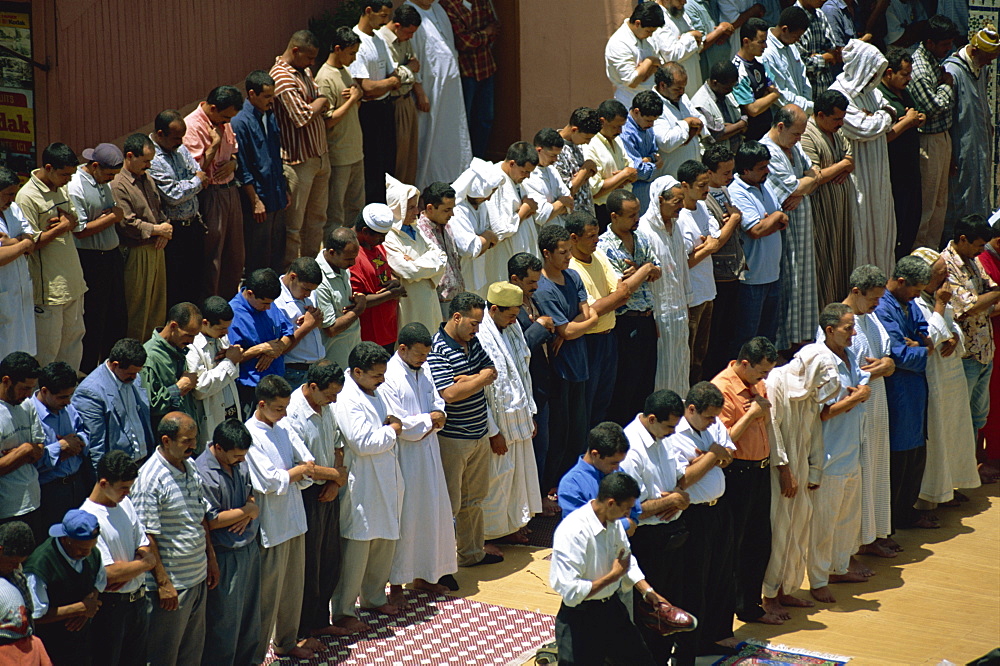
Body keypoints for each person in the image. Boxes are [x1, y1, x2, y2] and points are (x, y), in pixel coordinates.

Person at [550, 471, 679, 666]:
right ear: (611, 503)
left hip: (611, 609)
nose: (629, 515)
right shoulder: (572, 532)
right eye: (626, 509)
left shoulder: (613, 523)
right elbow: (571, 592)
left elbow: (626, 559)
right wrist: (612, 577)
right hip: (579, 618)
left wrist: (648, 591)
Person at [131, 412, 219, 666]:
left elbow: (200, 516)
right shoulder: (150, 479)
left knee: (191, 654)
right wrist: (163, 583)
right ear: (166, 440)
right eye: (186, 441)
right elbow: (146, 537)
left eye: (194, 439)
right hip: (172, 587)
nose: (193, 446)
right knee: (163, 656)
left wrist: (210, 559)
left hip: (197, 578)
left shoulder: (189, 466)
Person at [244, 375, 319, 660]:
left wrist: (297, 474)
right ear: (261, 404)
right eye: (278, 408)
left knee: (292, 590)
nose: (284, 413)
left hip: (294, 519)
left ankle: (286, 642)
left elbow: (307, 466)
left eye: (286, 407)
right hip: (272, 526)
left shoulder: (284, 426)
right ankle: (256, 654)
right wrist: (296, 473)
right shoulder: (250, 434)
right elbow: (268, 481)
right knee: (267, 596)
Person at [761, 341, 838, 616]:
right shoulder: (777, 383)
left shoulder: (809, 393)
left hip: (802, 472)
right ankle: (769, 595)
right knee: (780, 530)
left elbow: (815, 430)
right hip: (781, 473)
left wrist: (815, 469)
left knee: (799, 529)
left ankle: (787, 588)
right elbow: (773, 429)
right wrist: (784, 470)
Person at [381, 324, 458, 598]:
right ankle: (397, 583)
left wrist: (437, 416)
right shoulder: (388, 377)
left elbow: (438, 403)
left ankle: (425, 575)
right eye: (418, 354)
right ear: (402, 349)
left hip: (429, 453)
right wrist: (430, 420)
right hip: (405, 458)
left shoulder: (424, 370)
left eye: (426, 355)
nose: (423, 360)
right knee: (407, 518)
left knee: (430, 514)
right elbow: (397, 422)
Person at [330, 342, 404, 630]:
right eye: (376, 376)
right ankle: (345, 609)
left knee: (384, 540)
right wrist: (392, 430)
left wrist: (386, 430)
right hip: (361, 482)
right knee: (357, 547)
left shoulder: (373, 390)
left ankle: (373, 597)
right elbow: (362, 443)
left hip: (385, 477)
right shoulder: (347, 398)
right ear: (357, 372)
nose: (382, 380)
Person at [426, 292, 503, 567]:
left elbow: (492, 370)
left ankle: (471, 554)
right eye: (473, 323)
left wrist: (472, 378)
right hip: (453, 440)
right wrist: (479, 378)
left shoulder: (473, 342)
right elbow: (449, 393)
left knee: (475, 501)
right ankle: (442, 564)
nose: (477, 329)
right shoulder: (437, 349)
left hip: (479, 435)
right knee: (449, 505)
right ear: (456, 317)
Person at [666, 382, 739, 659]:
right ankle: (690, 644)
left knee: (722, 574)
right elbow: (684, 479)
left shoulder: (714, 424)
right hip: (694, 515)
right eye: (708, 417)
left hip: (719, 509)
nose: (713, 422)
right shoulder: (675, 434)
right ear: (692, 409)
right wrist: (712, 454)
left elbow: (729, 455)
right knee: (695, 579)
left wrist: (709, 458)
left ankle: (716, 635)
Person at [617, 391, 692, 660]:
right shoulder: (630, 451)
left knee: (668, 616)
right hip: (646, 542)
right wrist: (671, 500)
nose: (673, 432)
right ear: (651, 419)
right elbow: (631, 510)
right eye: (669, 426)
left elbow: (679, 482)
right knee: (649, 616)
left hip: (671, 536)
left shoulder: (663, 438)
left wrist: (677, 499)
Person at [711, 337, 781, 624]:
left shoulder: (757, 384)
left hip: (760, 470)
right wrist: (752, 413)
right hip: (736, 473)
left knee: (759, 541)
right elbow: (722, 440)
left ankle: (750, 606)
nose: (764, 379)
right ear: (743, 363)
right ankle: (723, 613)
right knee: (733, 545)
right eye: (760, 372)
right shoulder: (722, 389)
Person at [803, 304, 870, 604]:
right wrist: (856, 399)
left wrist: (857, 394)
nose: (853, 333)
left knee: (846, 520)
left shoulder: (851, 354)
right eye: (847, 328)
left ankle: (839, 567)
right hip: (829, 456)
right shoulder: (819, 361)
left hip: (851, 450)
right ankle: (817, 580)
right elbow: (821, 412)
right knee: (824, 525)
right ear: (829, 330)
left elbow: (859, 384)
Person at [909, 248, 981, 512]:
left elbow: (954, 331)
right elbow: (928, 338)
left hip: (952, 379)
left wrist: (953, 336)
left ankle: (949, 486)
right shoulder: (917, 302)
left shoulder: (940, 297)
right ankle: (930, 496)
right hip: (933, 379)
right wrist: (940, 307)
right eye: (939, 274)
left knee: (954, 433)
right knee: (936, 436)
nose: (944, 279)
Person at [280, 365, 348, 639]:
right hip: (307, 495)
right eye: (330, 395)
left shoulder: (327, 407)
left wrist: (334, 481)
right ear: (312, 387)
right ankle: (303, 628)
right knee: (308, 565)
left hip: (328, 492)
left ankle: (321, 618)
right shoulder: (293, 413)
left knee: (330, 560)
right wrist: (337, 476)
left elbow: (337, 445)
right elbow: (305, 465)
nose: (334, 401)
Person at [835, 265, 896, 558]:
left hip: (877, 404)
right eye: (873, 298)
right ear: (856, 292)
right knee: (861, 473)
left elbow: (888, 356)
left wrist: (887, 365)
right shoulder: (836, 321)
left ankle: (873, 535)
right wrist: (880, 370)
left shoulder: (870, 318)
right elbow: (841, 372)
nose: (876, 304)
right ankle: (855, 544)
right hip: (855, 409)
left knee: (877, 467)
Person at [829, 39, 905, 273]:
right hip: (859, 171)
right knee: (861, 226)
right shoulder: (839, 93)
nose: (876, 78)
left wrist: (880, 115)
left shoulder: (870, 92)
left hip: (878, 169)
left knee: (881, 225)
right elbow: (863, 127)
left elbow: (891, 109)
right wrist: (881, 118)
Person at [566, 212, 646, 427]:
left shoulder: (599, 255)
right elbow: (594, 309)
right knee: (587, 405)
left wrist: (613, 298)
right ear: (573, 238)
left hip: (609, 338)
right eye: (590, 236)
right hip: (588, 343)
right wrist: (615, 298)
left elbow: (623, 292)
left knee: (604, 401)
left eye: (596, 234)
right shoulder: (572, 268)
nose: (596, 240)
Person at [874, 256, 934, 530]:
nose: (918, 296)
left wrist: (920, 343)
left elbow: (924, 331)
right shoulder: (884, 307)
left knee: (917, 452)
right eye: (916, 289)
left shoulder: (908, 303)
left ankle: (908, 510)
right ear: (900, 281)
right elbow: (897, 353)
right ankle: (895, 517)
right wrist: (923, 349)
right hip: (898, 390)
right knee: (899, 455)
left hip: (915, 388)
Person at [536, 225, 598, 486]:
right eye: (563, 253)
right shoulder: (542, 287)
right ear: (546, 254)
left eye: (569, 251)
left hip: (580, 364)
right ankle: (553, 484)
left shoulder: (573, 276)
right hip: (558, 369)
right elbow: (580, 322)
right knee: (559, 433)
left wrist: (571, 329)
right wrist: (571, 329)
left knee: (578, 431)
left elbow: (584, 316)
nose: (569, 257)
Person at [479, 282, 541, 544]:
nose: (515, 320)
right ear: (493, 309)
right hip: (497, 423)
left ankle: (514, 524)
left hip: (518, 417)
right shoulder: (481, 334)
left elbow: (522, 372)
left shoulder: (511, 326)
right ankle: (489, 535)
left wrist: (530, 412)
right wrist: (493, 431)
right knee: (497, 481)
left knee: (519, 478)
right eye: (511, 315)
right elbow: (485, 390)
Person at [195, 420, 261, 666]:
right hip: (223, 554)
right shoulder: (203, 472)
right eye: (236, 456)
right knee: (224, 622)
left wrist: (249, 509)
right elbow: (211, 520)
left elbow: (250, 493)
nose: (241, 461)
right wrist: (248, 510)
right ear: (219, 448)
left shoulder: (240, 463)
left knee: (249, 617)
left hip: (248, 548)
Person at [80, 451, 154, 666]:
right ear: (103, 483)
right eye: (123, 487)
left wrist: (134, 566)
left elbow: (145, 545)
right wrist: (145, 564)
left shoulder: (126, 503)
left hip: (138, 602)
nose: (127, 492)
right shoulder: (88, 517)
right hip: (112, 609)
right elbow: (110, 574)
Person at [940, 216, 1000, 478]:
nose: (981, 250)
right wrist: (992, 296)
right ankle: (954, 476)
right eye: (978, 244)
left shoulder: (973, 261)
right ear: (963, 239)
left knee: (977, 418)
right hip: (964, 355)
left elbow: (987, 293)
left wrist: (987, 298)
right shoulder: (946, 265)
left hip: (984, 350)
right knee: (958, 419)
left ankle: (968, 470)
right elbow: (968, 308)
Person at [16, 143, 84, 371]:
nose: (68, 179)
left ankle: (68, 395)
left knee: (72, 343)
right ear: (48, 168)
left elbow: (75, 221)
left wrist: (66, 223)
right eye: (65, 174)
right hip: (49, 290)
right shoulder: (27, 197)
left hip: (73, 282)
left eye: (71, 174)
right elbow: (29, 244)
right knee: (48, 349)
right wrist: (61, 227)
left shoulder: (62, 187)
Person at [598, 190, 663, 422]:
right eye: (631, 215)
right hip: (625, 323)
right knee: (626, 386)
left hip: (646, 318)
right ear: (614, 217)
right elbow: (621, 290)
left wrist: (644, 271)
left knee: (646, 384)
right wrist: (645, 270)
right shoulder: (604, 247)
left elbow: (658, 270)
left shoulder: (641, 238)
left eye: (638, 213)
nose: (637, 219)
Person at [760, 104, 821, 351]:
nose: (799, 140)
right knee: (789, 281)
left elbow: (815, 170)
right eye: (796, 134)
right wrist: (802, 187)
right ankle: (786, 343)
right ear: (781, 127)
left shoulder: (792, 147)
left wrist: (804, 184)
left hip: (803, 228)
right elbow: (794, 188)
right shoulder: (769, 151)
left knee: (804, 280)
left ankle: (803, 336)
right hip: (786, 231)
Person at [270, 30, 331, 264]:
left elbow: (316, 97)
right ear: (295, 50)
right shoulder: (282, 78)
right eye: (309, 57)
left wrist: (319, 102)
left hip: (319, 154)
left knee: (317, 218)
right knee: (294, 226)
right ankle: (289, 272)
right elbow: (302, 116)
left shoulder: (303, 70)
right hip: (298, 162)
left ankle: (311, 266)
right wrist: (322, 102)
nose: (312, 63)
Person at [677, 159, 740, 384]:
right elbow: (685, 262)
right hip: (691, 297)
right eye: (701, 186)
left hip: (708, 292)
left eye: (707, 185)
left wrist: (706, 246)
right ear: (685, 186)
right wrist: (710, 245)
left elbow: (717, 239)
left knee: (702, 354)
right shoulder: (680, 218)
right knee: (690, 355)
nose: (706, 190)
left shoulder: (703, 207)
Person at [183, 85, 245, 299]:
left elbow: (233, 152)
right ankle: (211, 305)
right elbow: (195, 170)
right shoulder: (191, 126)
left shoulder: (223, 121)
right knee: (213, 257)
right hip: (211, 195)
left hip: (230, 191)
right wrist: (214, 143)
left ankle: (230, 303)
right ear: (213, 107)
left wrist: (233, 164)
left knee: (234, 255)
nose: (227, 122)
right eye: (225, 117)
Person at [68, 144, 126, 374]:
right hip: (91, 260)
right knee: (94, 318)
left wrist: (110, 216)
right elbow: (80, 229)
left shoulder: (103, 184)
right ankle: (88, 370)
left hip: (111, 257)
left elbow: (112, 210)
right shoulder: (76, 187)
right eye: (109, 174)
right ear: (94, 166)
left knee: (116, 316)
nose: (111, 179)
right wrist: (112, 217)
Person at [405, 0, 473, 188]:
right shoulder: (410, 12)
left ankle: (454, 182)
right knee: (427, 140)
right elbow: (411, 57)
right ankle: (427, 185)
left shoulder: (438, 9)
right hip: (429, 91)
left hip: (450, 92)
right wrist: (419, 92)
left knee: (452, 137)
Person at [728, 140, 788, 352]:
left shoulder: (765, 184)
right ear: (745, 170)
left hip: (773, 275)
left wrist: (771, 219)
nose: (768, 171)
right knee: (747, 339)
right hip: (752, 279)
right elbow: (756, 230)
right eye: (762, 168)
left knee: (767, 337)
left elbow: (777, 222)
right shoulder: (737, 192)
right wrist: (776, 217)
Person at [24, 509, 105, 665]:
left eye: (91, 547)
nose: (87, 553)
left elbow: (98, 582)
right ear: (66, 539)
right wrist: (81, 608)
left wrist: (87, 608)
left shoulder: (92, 553)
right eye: (82, 549)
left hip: (81, 647)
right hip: (52, 649)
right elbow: (35, 616)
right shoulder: (40, 566)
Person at [112, 133, 172, 341]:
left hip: (157, 248)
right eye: (145, 161)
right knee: (138, 307)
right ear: (130, 156)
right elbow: (126, 223)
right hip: (137, 252)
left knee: (157, 306)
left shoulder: (147, 179)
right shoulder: (119, 184)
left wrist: (164, 230)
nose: (148, 165)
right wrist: (157, 230)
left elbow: (159, 210)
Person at [943, 26, 1000, 244]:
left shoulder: (981, 68)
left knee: (980, 196)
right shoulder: (953, 71)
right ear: (975, 52)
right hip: (961, 149)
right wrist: (949, 154)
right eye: (986, 58)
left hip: (981, 146)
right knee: (961, 200)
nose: (988, 64)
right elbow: (947, 117)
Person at [800, 89, 857, 307]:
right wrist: (842, 165)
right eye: (836, 119)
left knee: (843, 261)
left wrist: (841, 165)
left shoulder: (836, 131)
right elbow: (816, 177)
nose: (840, 124)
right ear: (821, 115)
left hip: (841, 212)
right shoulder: (807, 134)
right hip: (821, 213)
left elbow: (851, 157)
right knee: (824, 265)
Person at [636, 177, 692, 396]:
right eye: (676, 202)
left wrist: (687, 302)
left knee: (680, 362)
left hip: (679, 311)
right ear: (660, 200)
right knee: (663, 367)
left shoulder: (676, 226)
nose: (681, 206)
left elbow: (682, 267)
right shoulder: (644, 231)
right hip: (660, 313)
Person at [508, 253, 558, 498]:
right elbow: (518, 349)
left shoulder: (532, 299)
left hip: (543, 384)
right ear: (514, 279)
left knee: (545, 445)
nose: (535, 288)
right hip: (526, 390)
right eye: (530, 283)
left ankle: (537, 496)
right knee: (534, 448)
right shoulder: (509, 310)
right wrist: (540, 327)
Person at [148, 110, 208, 308]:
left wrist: (193, 182)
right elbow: (173, 195)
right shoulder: (153, 158)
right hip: (173, 232)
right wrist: (196, 182)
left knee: (196, 282)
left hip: (193, 225)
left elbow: (198, 170)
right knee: (176, 286)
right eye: (175, 138)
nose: (181, 142)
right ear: (160, 134)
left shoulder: (180, 149)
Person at [231, 70, 288, 276]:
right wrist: (255, 200)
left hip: (276, 195)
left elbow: (275, 156)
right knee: (259, 256)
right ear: (252, 94)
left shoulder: (270, 115)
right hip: (259, 200)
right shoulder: (240, 122)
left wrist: (284, 188)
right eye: (266, 96)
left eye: (272, 96)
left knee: (277, 251)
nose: (270, 101)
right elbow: (243, 166)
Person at [909, 15, 959, 251]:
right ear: (929, 42)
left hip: (942, 138)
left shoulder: (934, 63)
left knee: (940, 203)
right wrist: (947, 86)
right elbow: (934, 108)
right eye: (944, 44)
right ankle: (920, 256)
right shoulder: (919, 68)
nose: (948, 49)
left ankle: (932, 253)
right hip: (927, 141)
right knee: (927, 205)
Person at [73, 339, 155, 470]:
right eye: (130, 373)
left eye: (137, 373)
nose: (135, 377)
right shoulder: (91, 392)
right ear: (115, 365)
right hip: (117, 474)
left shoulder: (132, 379)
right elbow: (95, 447)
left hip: (142, 466)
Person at [701, 146, 747, 378]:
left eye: (732, 171)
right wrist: (734, 219)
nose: (731, 177)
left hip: (733, 272)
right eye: (726, 173)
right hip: (719, 276)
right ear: (709, 173)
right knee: (715, 336)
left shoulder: (723, 190)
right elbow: (715, 239)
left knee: (728, 332)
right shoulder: (705, 198)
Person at [315, 27, 366, 237]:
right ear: (338, 49)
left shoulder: (345, 71)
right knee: (336, 210)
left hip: (355, 152)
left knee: (356, 207)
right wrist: (354, 98)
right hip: (339, 155)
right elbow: (327, 121)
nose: (354, 59)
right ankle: (333, 251)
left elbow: (354, 105)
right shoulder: (324, 78)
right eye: (351, 53)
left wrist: (358, 95)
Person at [385, 175, 446, 347]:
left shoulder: (416, 228)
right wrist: (428, 264)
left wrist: (416, 262)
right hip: (410, 302)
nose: (416, 212)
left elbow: (442, 257)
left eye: (416, 206)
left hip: (429, 298)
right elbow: (407, 271)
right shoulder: (389, 237)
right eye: (410, 207)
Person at [30, 362, 91, 535]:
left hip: (76, 485)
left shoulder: (68, 408)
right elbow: (31, 461)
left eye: (70, 396)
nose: (68, 401)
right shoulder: (29, 415)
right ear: (44, 391)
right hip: (50, 492)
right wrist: (60, 448)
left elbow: (84, 432)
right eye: (62, 397)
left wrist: (77, 442)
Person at [226, 268, 297, 414]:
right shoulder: (233, 315)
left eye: (271, 303)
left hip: (277, 385)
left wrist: (275, 350)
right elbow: (230, 357)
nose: (269, 308)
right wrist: (261, 349)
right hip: (251, 391)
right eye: (265, 304)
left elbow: (289, 334)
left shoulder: (268, 303)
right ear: (250, 293)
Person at [351, 1, 401, 205]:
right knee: (372, 165)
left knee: (388, 162)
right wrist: (389, 83)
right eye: (383, 15)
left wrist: (386, 84)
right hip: (368, 112)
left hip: (385, 106)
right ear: (368, 11)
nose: (386, 21)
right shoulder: (357, 41)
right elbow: (367, 88)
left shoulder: (379, 38)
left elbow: (394, 74)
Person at [879, 48, 926, 258]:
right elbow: (885, 135)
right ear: (889, 73)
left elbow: (915, 112)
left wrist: (918, 118)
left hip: (911, 169)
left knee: (912, 217)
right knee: (896, 220)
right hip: (894, 171)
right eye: (904, 74)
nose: (909, 79)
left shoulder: (904, 92)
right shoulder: (881, 96)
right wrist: (907, 122)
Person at [438, 0, 499, 159]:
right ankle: (465, 160)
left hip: (485, 67)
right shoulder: (449, 6)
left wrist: (479, 36)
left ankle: (479, 157)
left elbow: (495, 28)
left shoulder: (482, 3)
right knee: (465, 120)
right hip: (466, 72)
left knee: (485, 118)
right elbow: (463, 42)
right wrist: (484, 34)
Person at [185, 297, 244, 450]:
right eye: (221, 328)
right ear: (205, 323)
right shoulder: (192, 347)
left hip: (230, 413)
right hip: (211, 418)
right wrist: (229, 362)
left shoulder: (222, 338)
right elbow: (200, 388)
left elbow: (234, 370)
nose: (226, 332)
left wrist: (233, 359)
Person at [0, 353, 45, 540]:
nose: (28, 394)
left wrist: (17, 453)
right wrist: (26, 450)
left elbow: (40, 448)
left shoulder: (27, 405)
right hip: (7, 510)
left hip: (33, 501)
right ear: (6, 381)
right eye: (24, 388)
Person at [379, 4, 424, 187]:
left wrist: (407, 73)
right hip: (394, 102)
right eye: (409, 32)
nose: (411, 37)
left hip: (407, 100)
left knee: (410, 157)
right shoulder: (383, 40)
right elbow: (393, 77)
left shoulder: (404, 39)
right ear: (397, 26)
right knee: (398, 157)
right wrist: (408, 70)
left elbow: (413, 64)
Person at [352, 204, 405, 350]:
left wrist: (395, 282)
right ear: (365, 231)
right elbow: (359, 300)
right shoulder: (351, 255)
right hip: (370, 336)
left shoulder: (375, 246)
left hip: (388, 328)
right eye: (380, 236)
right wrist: (392, 294)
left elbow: (385, 272)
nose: (383, 240)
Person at [448, 158, 502, 297]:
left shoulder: (481, 205)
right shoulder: (457, 209)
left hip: (479, 276)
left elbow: (493, 235)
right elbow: (469, 249)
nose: (489, 198)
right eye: (488, 192)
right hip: (463, 277)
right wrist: (488, 237)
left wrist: (486, 238)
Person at [142, 303, 202, 429]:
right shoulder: (150, 358)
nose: (191, 342)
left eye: (195, 336)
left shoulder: (178, 349)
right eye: (189, 335)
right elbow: (149, 405)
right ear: (174, 326)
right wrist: (178, 388)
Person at [315, 227, 365, 371]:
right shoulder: (320, 280)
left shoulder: (341, 266)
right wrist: (359, 309)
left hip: (353, 352)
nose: (353, 263)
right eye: (349, 259)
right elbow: (331, 329)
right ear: (332, 252)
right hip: (334, 360)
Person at [0, 521, 51, 664]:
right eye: (12, 562)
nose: (16, 567)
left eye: (20, 563)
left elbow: (28, 619)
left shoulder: (17, 579)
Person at [0, 166, 36, 362]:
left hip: (19, 292)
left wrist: (13, 243)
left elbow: (31, 241)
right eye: (7, 194)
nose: (12, 199)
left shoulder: (13, 209)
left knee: (22, 354)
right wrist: (22, 244)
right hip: (4, 294)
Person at [584, 100, 638, 229]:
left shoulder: (617, 140)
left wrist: (624, 176)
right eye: (615, 126)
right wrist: (624, 175)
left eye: (622, 126)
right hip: (602, 212)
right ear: (602, 121)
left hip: (623, 209)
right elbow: (595, 190)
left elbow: (633, 171)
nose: (620, 131)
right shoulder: (590, 144)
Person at [273, 258, 325, 387]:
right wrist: (307, 326)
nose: (308, 295)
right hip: (294, 371)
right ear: (293, 277)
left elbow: (317, 323)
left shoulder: (311, 294)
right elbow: (279, 348)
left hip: (315, 368)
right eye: (305, 289)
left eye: (311, 291)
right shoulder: (276, 302)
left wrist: (317, 317)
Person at [414, 182, 463, 315]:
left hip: (456, 300)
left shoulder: (446, 226)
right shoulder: (419, 232)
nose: (452, 214)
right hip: (437, 303)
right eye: (446, 210)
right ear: (430, 208)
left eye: (452, 209)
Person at [651, 63, 706, 180]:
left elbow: (701, 120)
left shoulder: (683, 98)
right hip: (674, 179)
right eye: (677, 89)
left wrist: (692, 127)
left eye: (683, 87)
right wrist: (687, 123)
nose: (682, 92)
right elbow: (666, 142)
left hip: (694, 176)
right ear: (662, 85)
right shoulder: (654, 106)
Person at [605, 2, 666, 107]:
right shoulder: (619, 43)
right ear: (637, 23)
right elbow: (632, 81)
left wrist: (643, 70)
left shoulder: (647, 38)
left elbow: (659, 64)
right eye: (648, 31)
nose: (650, 35)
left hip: (652, 96)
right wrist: (650, 61)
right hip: (630, 101)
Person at [732, 18, 781, 141]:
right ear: (746, 42)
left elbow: (771, 87)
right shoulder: (738, 71)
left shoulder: (761, 61)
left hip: (768, 129)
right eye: (761, 42)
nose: (765, 46)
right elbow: (752, 110)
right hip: (751, 137)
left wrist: (764, 98)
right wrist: (774, 95)